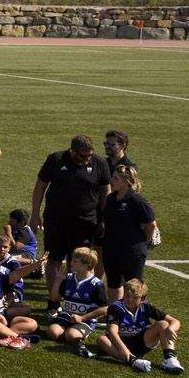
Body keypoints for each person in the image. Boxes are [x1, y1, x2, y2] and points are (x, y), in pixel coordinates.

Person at [31, 135, 112, 315]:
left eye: (89, 155)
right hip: (56, 220)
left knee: (79, 261)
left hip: (86, 222)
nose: (87, 159)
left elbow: (105, 191)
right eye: (83, 156)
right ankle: (53, 301)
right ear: (72, 151)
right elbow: (40, 186)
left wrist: (105, 218)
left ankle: (78, 299)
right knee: (54, 259)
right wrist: (35, 214)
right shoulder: (56, 159)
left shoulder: (99, 163)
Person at [92, 279, 183, 374]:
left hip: (141, 341)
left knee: (163, 324)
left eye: (135, 297)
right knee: (101, 339)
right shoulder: (116, 307)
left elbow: (175, 321)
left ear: (143, 298)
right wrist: (123, 349)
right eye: (127, 295)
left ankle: (170, 358)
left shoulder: (146, 306)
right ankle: (132, 360)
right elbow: (112, 331)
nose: (129, 300)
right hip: (121, 341)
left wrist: (170, 329)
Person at [101, 168, 156, 289]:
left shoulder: (137, 200)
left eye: (115, 178)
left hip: (131, 252)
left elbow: (151, 225)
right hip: (111, 249)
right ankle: (115, 308)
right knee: (113, 284)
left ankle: (137, 308)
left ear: (126, 182)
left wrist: (142, 242)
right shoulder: (111, 198)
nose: (111, 181)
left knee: (134, 287)